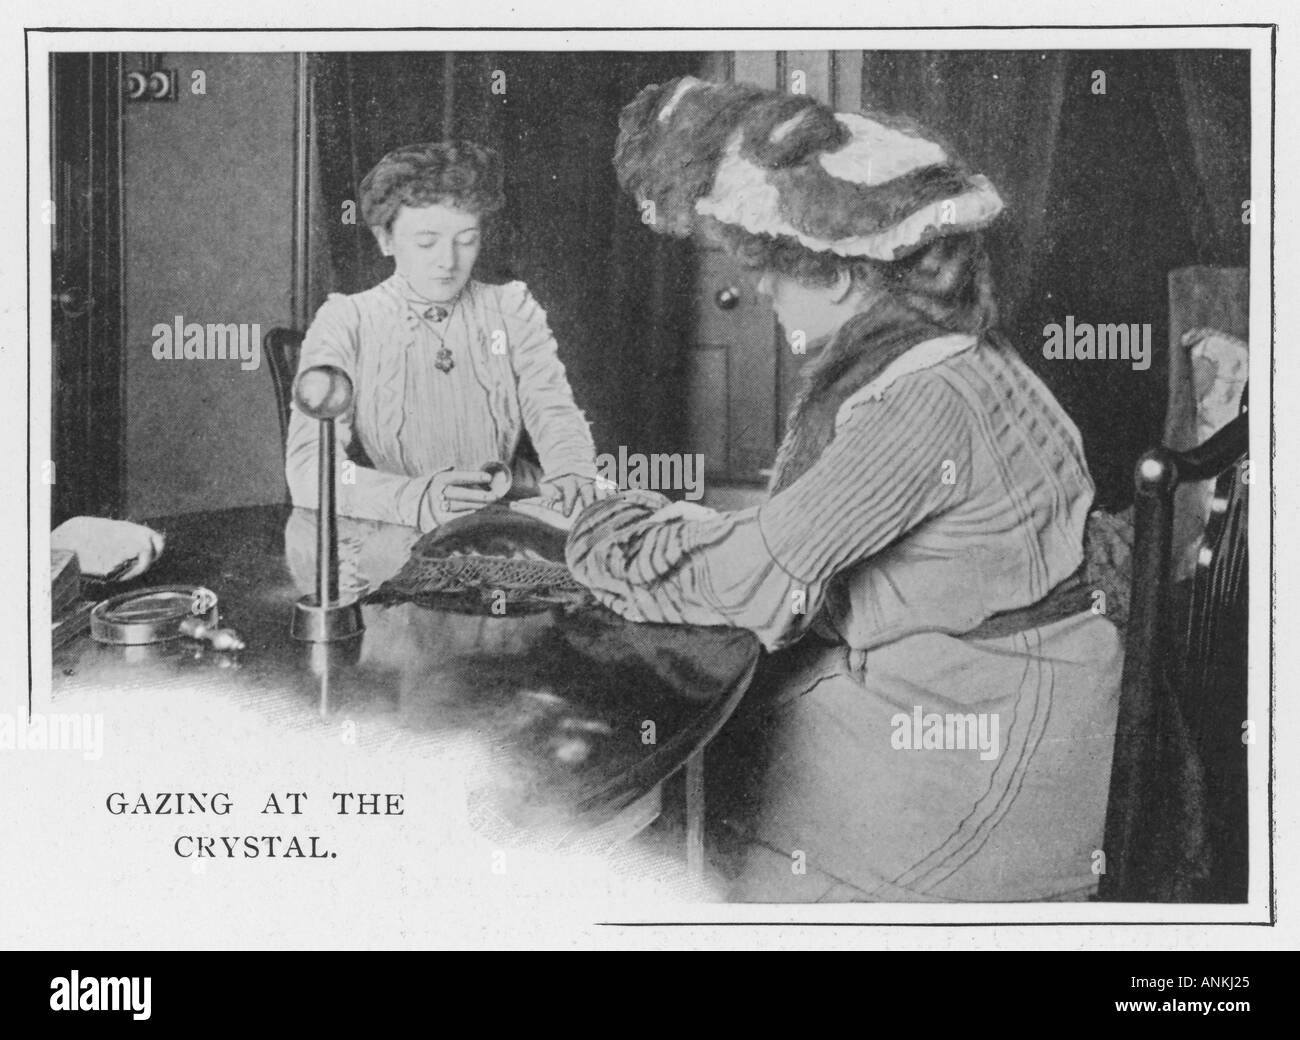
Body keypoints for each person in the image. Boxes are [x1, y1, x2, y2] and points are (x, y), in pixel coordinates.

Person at [567, 77, 1124, 901]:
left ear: (834, 278)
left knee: (668, 841)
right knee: (695, 788)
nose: (759, 290)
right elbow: (817, 534)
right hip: (993, 691)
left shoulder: (920, 401)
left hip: (984, 757)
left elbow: (755, 577)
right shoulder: (959, 356)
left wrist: (608, 536)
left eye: (769, 271)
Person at [286, 140, 607, 530]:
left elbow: (552, 408)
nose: (448, 261)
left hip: (509, 506)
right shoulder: (348, 319)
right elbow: (308, 471)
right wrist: (416, 499)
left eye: (466, 239)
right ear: (385, 239)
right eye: (426, 242)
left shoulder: (510, 306)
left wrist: (571, 469)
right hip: (400, 523)